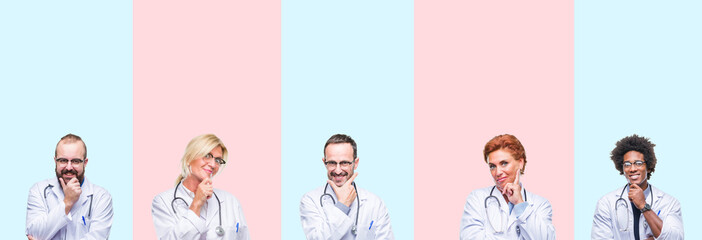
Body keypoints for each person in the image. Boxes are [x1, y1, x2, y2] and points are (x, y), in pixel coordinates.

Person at [152, 134, 249, 239]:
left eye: (217, 160)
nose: (213, 164)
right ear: (189, 158)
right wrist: (197, 204)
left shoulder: (231, 201)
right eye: (207, 155)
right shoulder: (162, 201)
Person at [460, 134, 556, 239]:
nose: (497, 172)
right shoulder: (477, 199)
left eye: (504, 163)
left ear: (520, 163)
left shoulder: (540, 204)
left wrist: (520, 204)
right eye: (492, 166)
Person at [300, 134, 394, 239]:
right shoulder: (310, 200)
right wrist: (342, 205)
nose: (338, 170)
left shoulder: (375, 203)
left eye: (344, 163)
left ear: (356, 163)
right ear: (324, 163)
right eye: (332, 163)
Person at [591, 134, 683, 239]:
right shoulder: (606, 203)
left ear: (648, 167)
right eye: (627, 164)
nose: (632, 169)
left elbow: (676, 238)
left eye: (638, 163)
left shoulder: (669, 203)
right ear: (622, 169)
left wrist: (644, 206)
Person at [25, 134, 114, 240]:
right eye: (63, 160)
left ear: (85, 163)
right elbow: (34, 234)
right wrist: (67, 202)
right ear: (55, 161)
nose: (68, 167)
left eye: (75, 161)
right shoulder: (38, 190)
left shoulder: (101, 197)